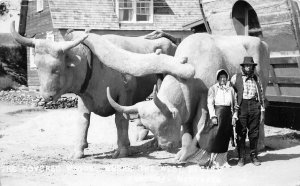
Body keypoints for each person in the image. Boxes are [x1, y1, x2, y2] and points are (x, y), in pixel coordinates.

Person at [175, 69, 237, 168]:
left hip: (228, 116)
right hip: (217, 114)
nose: (222, 79)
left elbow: (235, 104)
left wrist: (234, 116)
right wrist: (213, 116)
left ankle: (221, 160)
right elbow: (210, 103)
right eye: (220, 77)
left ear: (227, 78)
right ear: (217, 78)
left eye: (224, 77)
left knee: (224, 138)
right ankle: (207, 159)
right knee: (212, 137)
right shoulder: (213, 89)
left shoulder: (231, 90)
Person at [231, 56, 265, 166]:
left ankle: (254, 156)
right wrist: (234, 105)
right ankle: (241, 157)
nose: (248, 67)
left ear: (252, 67)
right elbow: (230, 91)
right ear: (243, 67)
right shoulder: (235, 78)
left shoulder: (256, 78)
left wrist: (262, 108)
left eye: (250, 65)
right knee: (241, 132)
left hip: (254, 105)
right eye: (246, 65)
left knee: (254, 133)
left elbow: (261, 93)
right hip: (242, 106)